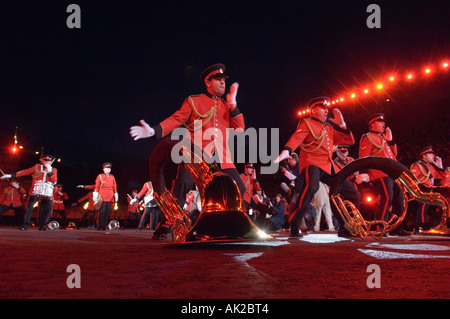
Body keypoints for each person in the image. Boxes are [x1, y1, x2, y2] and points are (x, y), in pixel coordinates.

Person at [129, 63, 246, 206]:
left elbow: (240, 129)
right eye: (218, 79)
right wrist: (154, 131)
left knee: (240, 189)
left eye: (224, 79)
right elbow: (176, 119)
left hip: (222, 157)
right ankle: (168, 225)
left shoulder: (226, 106)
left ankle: (234, 225)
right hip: (196, 155)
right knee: (182, 186)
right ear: (208, 82)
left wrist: (233, 103)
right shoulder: (194, 101)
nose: (223, 82)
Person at [274, 97, 360, 237]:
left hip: (327, 164)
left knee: (353, 193)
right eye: (322, 108)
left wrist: (343, 126)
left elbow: (349, 140)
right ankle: (294, 226)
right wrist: (287, 151)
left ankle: (346, 226)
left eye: (327, 108)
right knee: (311, 187)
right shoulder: (306, 123)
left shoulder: (329, 128)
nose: (327, 111)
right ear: (313, 110)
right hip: (311, 162)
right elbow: (296, 138)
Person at [357, 113, 408, 235]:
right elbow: (364, 156)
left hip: (393, 173)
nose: (384, 124)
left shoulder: (383, 138)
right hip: (380, 173)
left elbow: (393, 155)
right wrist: (363, 172)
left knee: (399, 199)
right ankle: (379, 227)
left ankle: (397, 228)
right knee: (387, 197)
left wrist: (391, 141)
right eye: (380, 122)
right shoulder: (368, 137)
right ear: (372, 124)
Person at [1, 154, 58, 230]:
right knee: (29, 207)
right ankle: (25, 224)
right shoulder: (37, 167)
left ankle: (43, 225)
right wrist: (10, 175)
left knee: (47, 209)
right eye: (45, 160)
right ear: (41, 160)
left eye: (49, 160)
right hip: (35, 192)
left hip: (47, 193)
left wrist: (50, 172)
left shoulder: (54, 170)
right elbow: (24, 172)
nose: (47, 162)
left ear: (51, 162)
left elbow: (54, 182)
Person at [410, 146, 449, 232]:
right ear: (424, 156)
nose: (433, 156)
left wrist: (440, 166)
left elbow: (443, 176)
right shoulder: (418, 166)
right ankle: (420, 225)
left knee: (442, 205)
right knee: (426, 201)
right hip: (418, 193)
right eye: (430, 154)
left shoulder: (432, 167)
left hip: (429, 193)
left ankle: (437, 226)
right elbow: (411, 180)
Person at [93, 162, 118, 231]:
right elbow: (97, 186)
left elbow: (115, 187)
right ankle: (100, 226)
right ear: (104, 169)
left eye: (109, 168)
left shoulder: (112, 177)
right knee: (102, 211)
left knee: (107, 212)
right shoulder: (100, 176)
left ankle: (104, 226)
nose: (108, 170)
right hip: (102, 196)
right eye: (107, 168)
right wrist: (95, 196)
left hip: (110, 197)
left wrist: (116, 195)